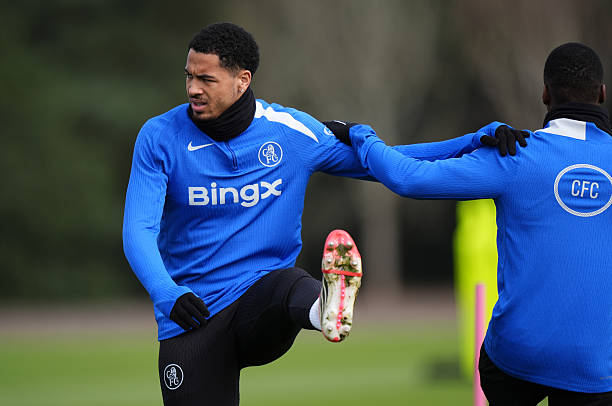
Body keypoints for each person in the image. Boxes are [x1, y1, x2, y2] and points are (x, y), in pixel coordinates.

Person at [122, 22, 523, 406]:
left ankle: (324, 309)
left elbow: (388, 162)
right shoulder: (159, 137)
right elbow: (139, 228)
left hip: (262, 306)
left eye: (206, 79)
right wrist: (166, 292)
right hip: (190, 313)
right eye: (189, 76)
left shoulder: (291, 132)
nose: (193, 88)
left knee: (285, 282)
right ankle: (319, 306)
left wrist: (473, 142)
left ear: (242, 80)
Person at [332, 42, 612, 405]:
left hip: (516, 358)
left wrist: (360, 135)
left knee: (502, 356)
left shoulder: (515, 154)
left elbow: (407, 176)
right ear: (601, 93)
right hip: (596, 368)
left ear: (545, 93)